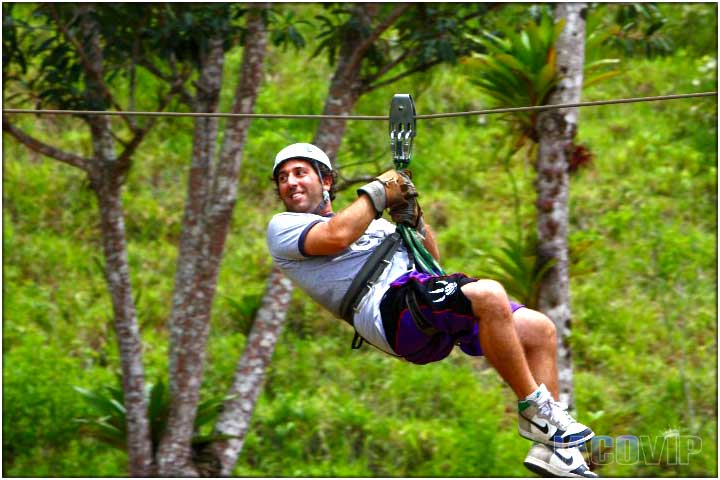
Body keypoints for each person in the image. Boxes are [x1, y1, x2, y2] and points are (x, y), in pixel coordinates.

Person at [266, 143, 598, 478]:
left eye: (299, 173)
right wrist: (378, 191)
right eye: (283, 178)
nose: (290, 182)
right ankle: (535, 411)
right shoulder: (283, 227)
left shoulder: (374, 226)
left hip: (417, 296)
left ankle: (556, 453)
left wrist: (414, 217)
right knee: (488, 294)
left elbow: (432, 262)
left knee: (539, 329)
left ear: (325, 182)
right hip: (386, 309)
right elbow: (336, 236)